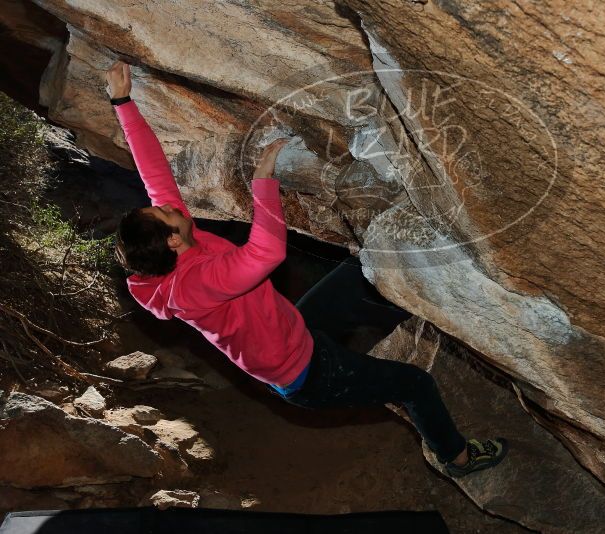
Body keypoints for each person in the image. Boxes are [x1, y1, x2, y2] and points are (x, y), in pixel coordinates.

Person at [105, 60, 507, 478]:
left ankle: (443, 308)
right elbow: (265, 254)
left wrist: (123, 102)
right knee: (415, 385)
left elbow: (155, 175)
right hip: (308, 374)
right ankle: (458, 458)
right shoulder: (192, 286)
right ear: (172, 240)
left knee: (362, 273)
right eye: (166, 213)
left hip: (294, 329)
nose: (170, 205)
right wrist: (263, 182)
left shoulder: (177, 245)